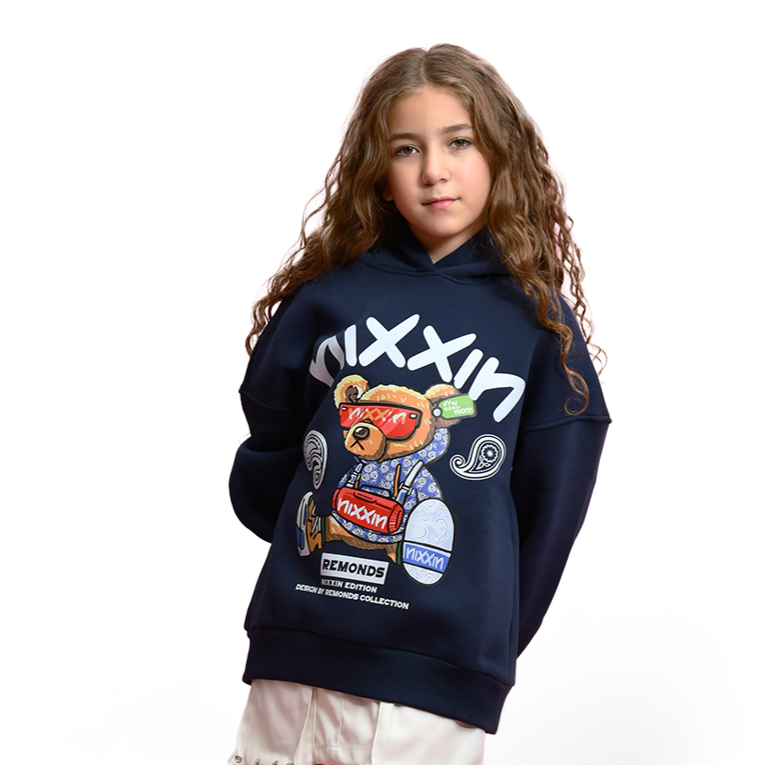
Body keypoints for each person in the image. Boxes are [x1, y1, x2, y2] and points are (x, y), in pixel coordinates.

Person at [227, 44, 610, 765]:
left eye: (458, 142)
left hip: (433, 682)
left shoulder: (538, 327)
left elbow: (551, 506)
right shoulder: (328, 297)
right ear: (378, 172)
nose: (434, 169)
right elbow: (272, 439)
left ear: (499, 154)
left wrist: (475, 633)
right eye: (407, 149)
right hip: (296, 649)